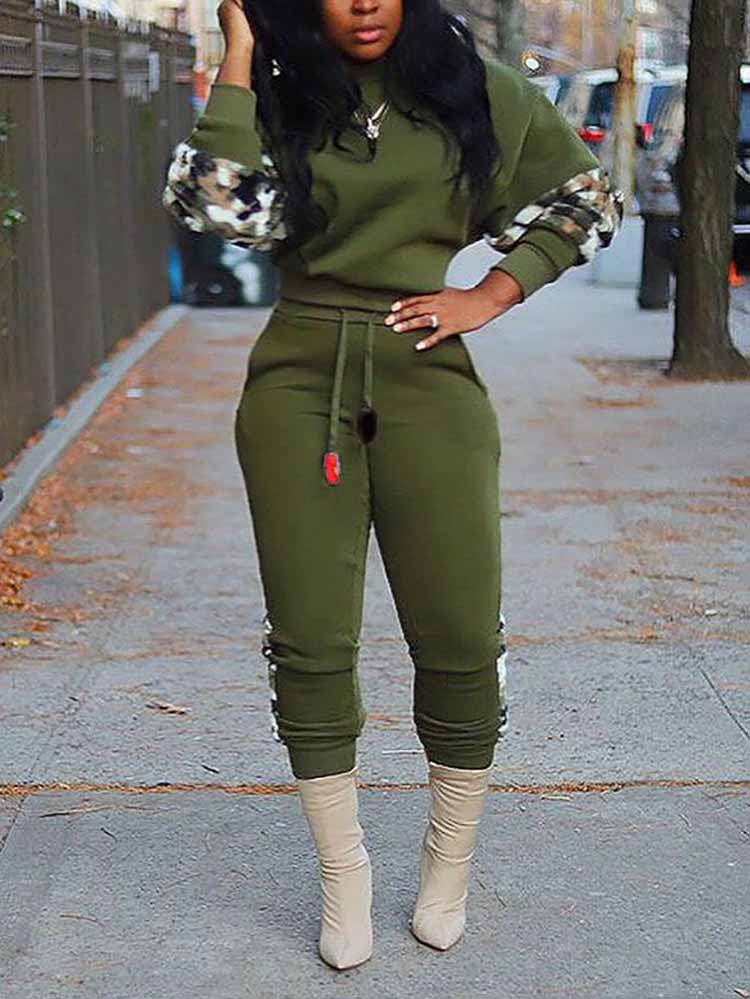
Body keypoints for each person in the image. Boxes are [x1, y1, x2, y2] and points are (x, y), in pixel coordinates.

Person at [162, 0, 623, 971]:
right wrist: (241, 52)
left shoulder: (470, 90)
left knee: (460, 631)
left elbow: (587, 198)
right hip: (296, 385)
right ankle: (345, 873)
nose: (364, 3)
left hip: (429, 380)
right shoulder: (279, 94)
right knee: (309, 638)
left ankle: (448, 864)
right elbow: (212, 207)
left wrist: (490, 293)